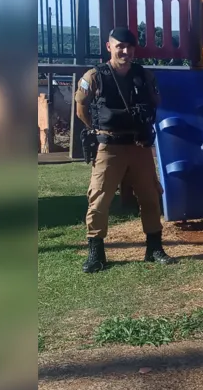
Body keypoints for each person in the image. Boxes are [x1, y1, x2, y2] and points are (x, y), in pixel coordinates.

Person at [74, 27, 173, 273]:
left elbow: (156, 103)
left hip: (139, 145)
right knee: (99, 198)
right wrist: (97, 130)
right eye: (119, 46)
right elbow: (81, 108)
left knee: (150, 196)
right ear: (109, 47)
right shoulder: (95, 76)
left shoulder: (144, 76)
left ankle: (154, 248)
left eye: (129, 47)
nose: (125, 51)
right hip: (110, 146)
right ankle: (96, 253)